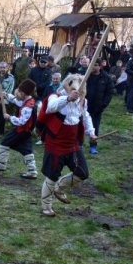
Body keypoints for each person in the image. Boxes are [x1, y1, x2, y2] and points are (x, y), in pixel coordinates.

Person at [36, 74, 97, 216]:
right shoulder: (55, 96)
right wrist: (68, 98)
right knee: (51, 175)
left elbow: (86, 116)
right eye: (73, 84)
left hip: (72, 143)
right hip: (55, 142)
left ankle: (59, 187)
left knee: (82, 172)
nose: (76, 88)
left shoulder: (83, 101)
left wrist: (91, 133)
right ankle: (46, 206)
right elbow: (50, 107)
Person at [0, 79, 38, 179]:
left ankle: (1, 164)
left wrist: (9, 117)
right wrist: (6, 95)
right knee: (27, 150)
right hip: (26, 131)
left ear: (24, 93)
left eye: (20, 91)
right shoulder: (27, 100)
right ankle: (32, 171)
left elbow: (21, 121)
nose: (18, 92)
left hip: (21, 130)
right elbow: (16, 101)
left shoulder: (28, 106)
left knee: (5, 143)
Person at [86, 58, 114, 154]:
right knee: (79, 126)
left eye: (95, 65)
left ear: (99, 66)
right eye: (92, 65)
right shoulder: (86, 76)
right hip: (84, 106)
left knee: (94, 127)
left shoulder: (106, 78)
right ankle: (78, 145)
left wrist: (103, 105)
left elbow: (109, 93)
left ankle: (93, 146)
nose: (93, 67)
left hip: (97, 108)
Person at [124, 49, 133, 113]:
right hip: (131, 80)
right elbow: (127, 70)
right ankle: (129, 108)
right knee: (131, 94)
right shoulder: (131, 61)